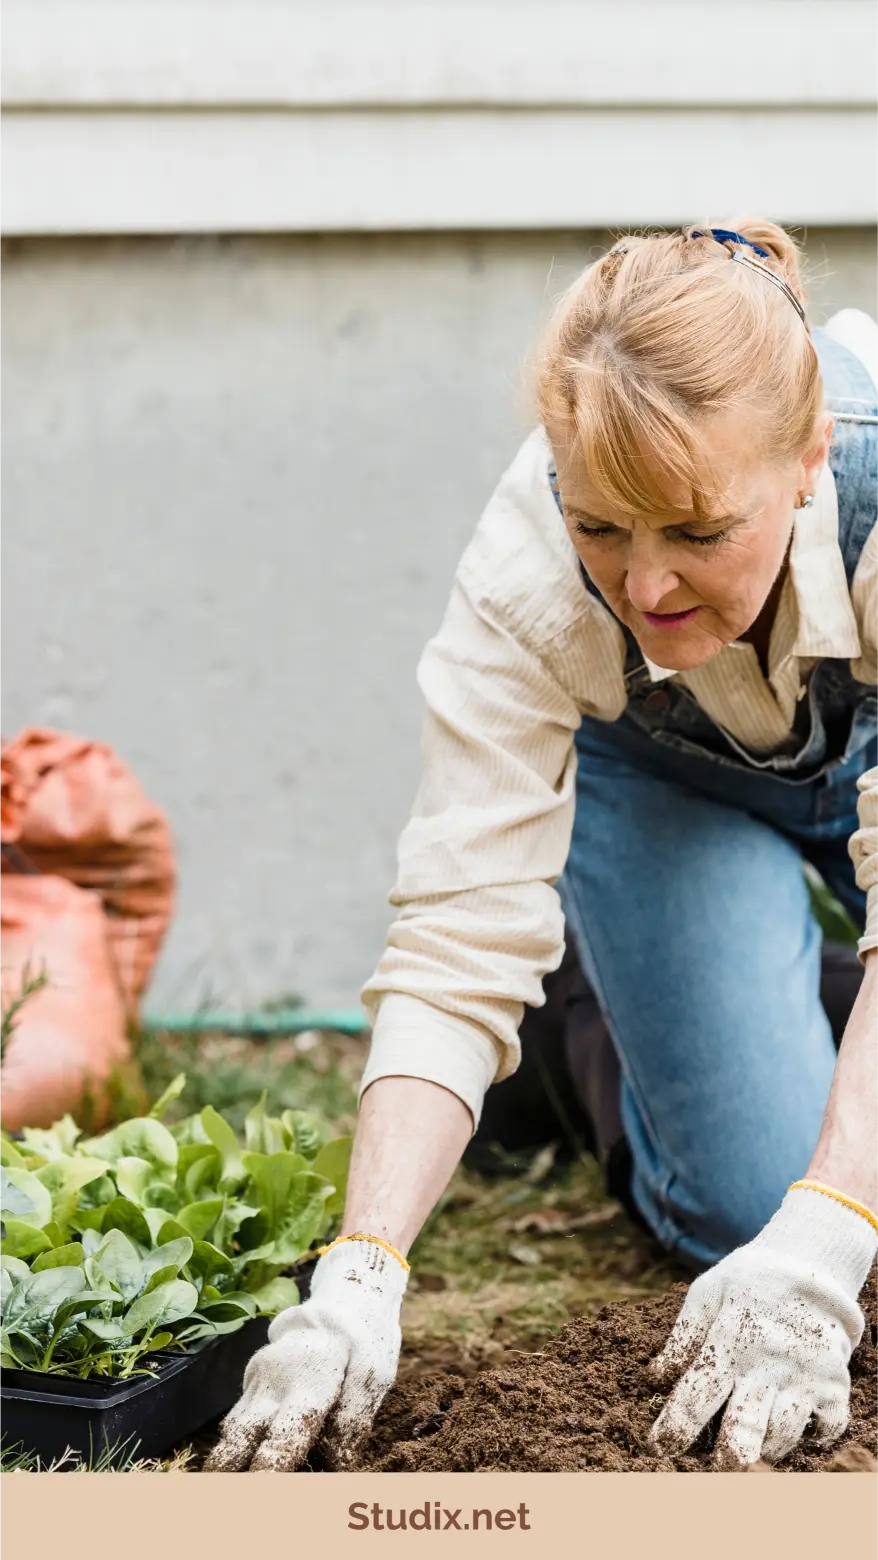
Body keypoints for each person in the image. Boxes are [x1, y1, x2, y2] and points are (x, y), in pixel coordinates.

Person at [206, 222, 878, 1473]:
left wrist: (835, 1222)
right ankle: (583, 1035)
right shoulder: (525, 565)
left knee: (833, 1220)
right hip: (668, 784)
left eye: (692, 528)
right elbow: (458, 926)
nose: (645, 585)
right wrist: (360, 1275)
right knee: (748, 1210)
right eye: (601, 530)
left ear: (804, 460)